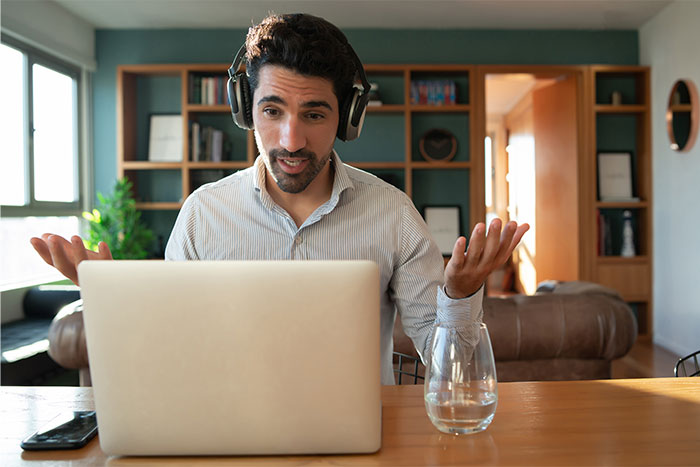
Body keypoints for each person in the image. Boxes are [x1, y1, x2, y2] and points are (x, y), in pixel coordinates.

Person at [31, 13, 529, 385]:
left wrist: (460, 295)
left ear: (347, 120)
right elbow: (168, 357)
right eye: (273, 110)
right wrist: (107, 299)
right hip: (226, 435)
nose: (290, 140)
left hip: (358, 440)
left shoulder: (394, 214)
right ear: (246, 111)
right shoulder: (203, 216)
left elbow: (452, 372)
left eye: (314, 115)